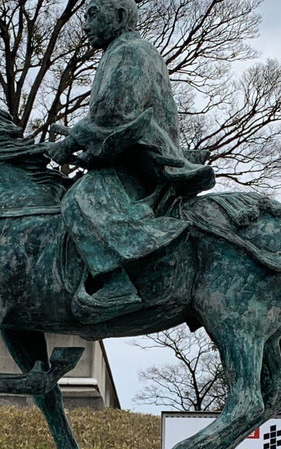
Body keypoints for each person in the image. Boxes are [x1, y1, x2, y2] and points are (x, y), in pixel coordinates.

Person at [46, 0, 215, 323]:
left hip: (145, 165)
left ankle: (116, 284)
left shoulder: (132, 51)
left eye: (93, 14)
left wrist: (70, 142)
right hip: (128, 158)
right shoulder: (117, 52)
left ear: (120, 15)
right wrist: (80, 146)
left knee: (82, 199)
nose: (84, 25)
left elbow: (115, 111)